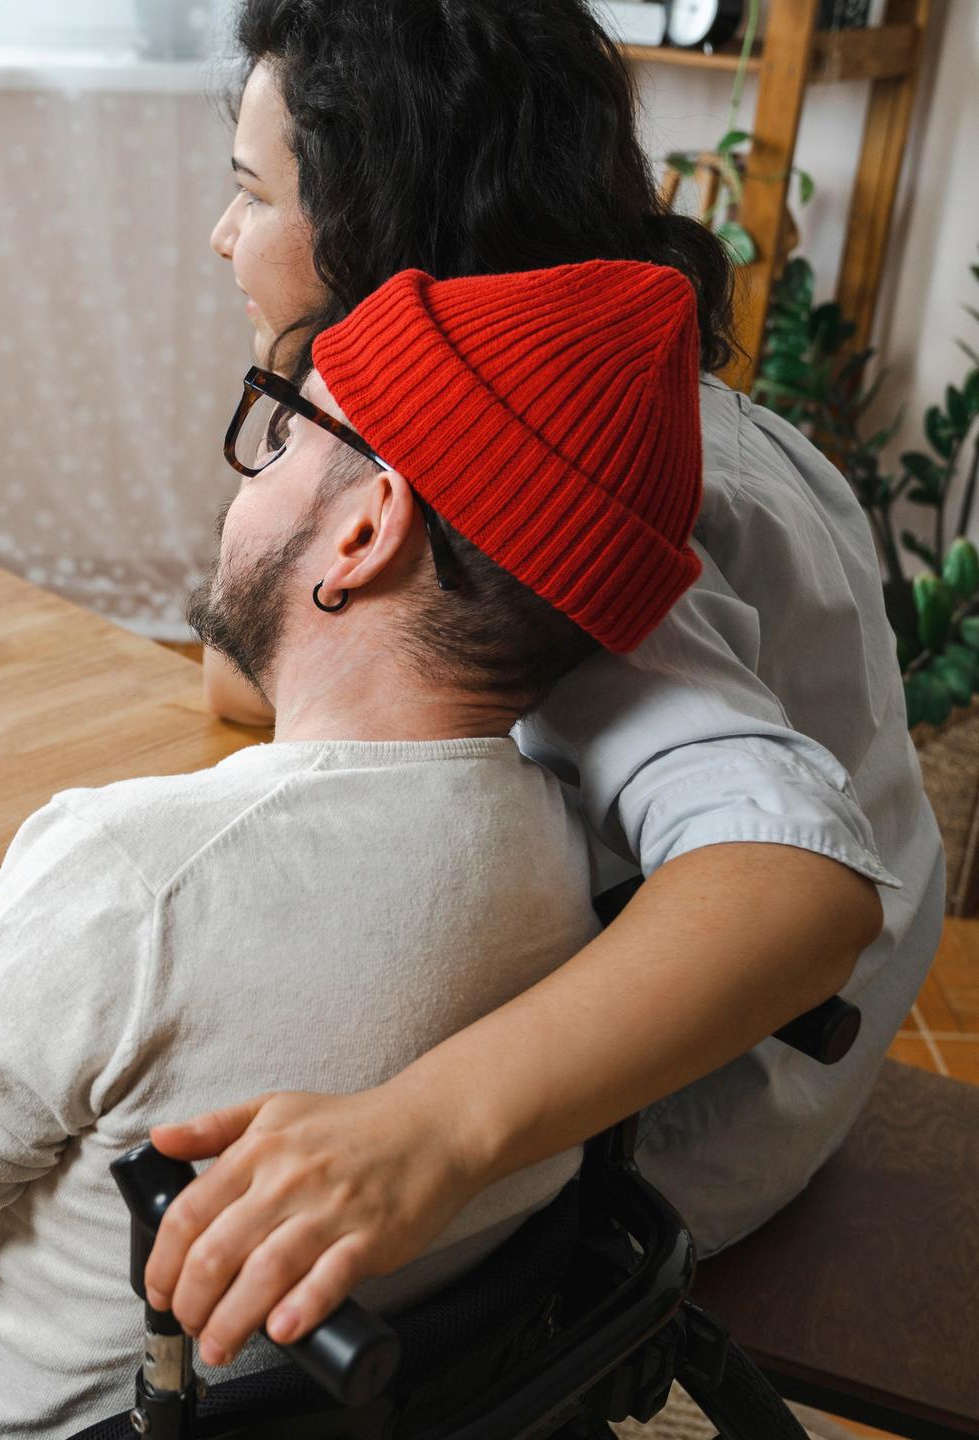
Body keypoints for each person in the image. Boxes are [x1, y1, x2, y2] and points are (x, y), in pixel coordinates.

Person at [140, 0, 939, 1375]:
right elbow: (242, 670)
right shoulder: (584, 404)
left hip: (717, 1109)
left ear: (386, 227)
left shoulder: (561, 518)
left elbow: (794, 884)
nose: (221, 240)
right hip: (800, 1037)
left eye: (250, 193)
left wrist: (425, 1133)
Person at [0, 261, 706, 1439]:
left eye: (282, 442)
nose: (248, 471)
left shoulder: (138, 873)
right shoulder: (577, 856)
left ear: (368, 526)